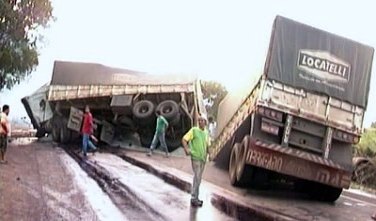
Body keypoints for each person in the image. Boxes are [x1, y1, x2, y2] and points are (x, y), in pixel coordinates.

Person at [182, 115, 210, 207]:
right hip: (196, 158)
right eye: (199, 120)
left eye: (202, 120)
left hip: (203, 159)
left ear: (205, 123)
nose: (200, 122)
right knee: (197, 177)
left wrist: (210, 154)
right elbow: (184, 139)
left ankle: (196, 197)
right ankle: (194, 198)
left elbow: (207, 144)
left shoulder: (206, 132)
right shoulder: (194, 130)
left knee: (199, 178)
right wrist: (187, 149)